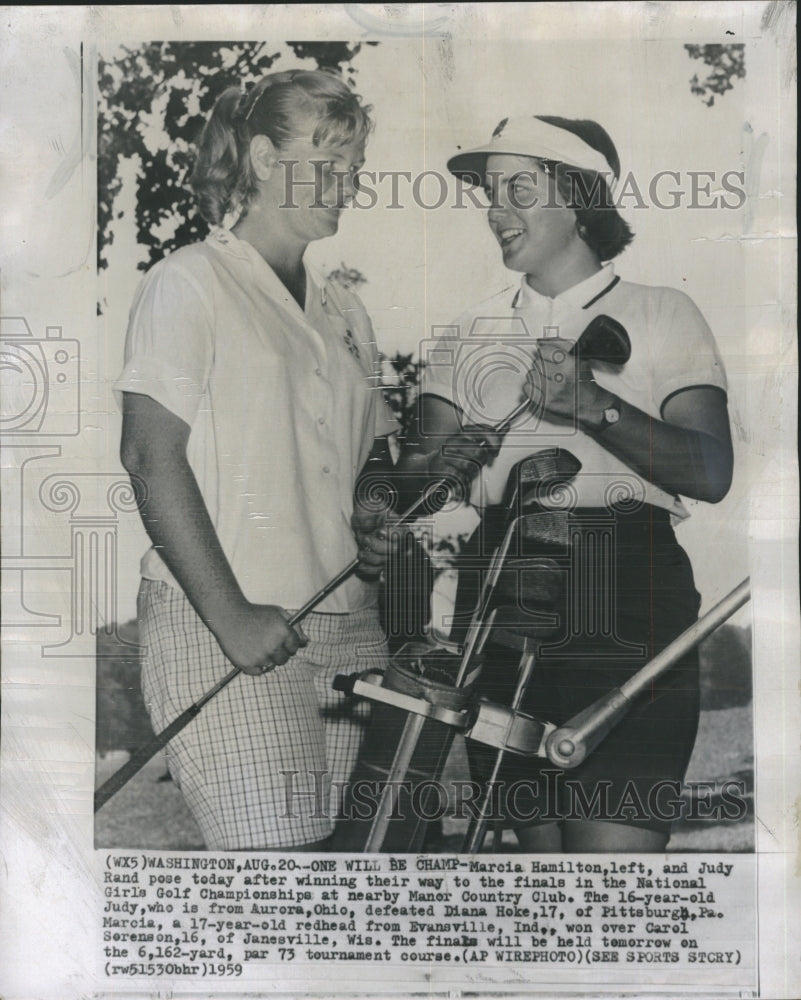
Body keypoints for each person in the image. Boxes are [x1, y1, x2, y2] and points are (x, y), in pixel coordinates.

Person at [390, 115, 733, 852]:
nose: (494, 207)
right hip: (498, 593)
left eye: (519, 186)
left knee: (611, 889)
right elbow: (405, 486)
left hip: (627, 589)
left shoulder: (662, 312)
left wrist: (594, 408)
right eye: (489, 190)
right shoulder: (462, 335)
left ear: (578, 198)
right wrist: (433, 471)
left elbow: (710, 470)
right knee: (541, 884)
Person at [115, 69, 397, 851]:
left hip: (348, 629)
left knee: (357, 891)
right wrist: (231, 615)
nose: (346, 184)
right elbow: (147, 451)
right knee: (280, 889)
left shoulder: (346, 311)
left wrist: (372, 518)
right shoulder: (188, 283)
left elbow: (367, 462)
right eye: (326, 160)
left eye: (354, 168)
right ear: (264, 158)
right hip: (224, 625)